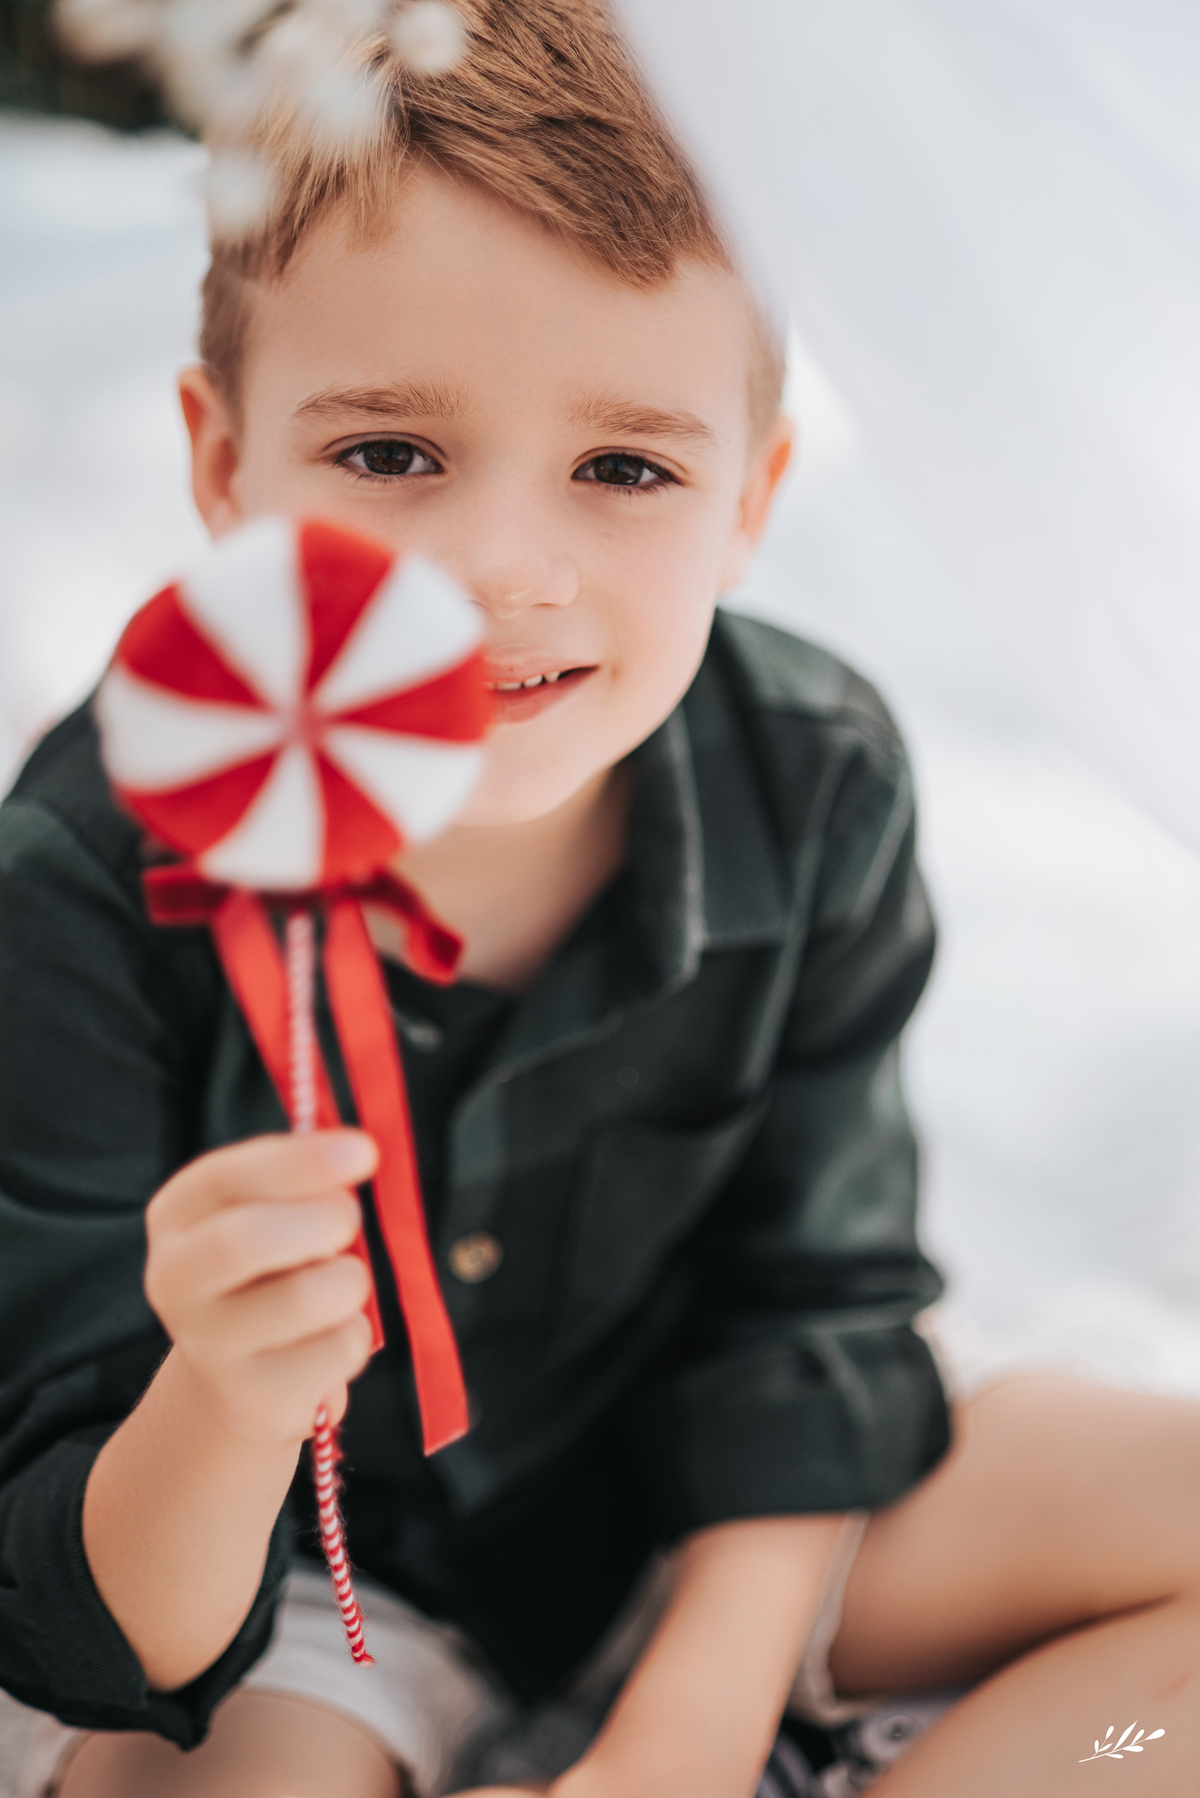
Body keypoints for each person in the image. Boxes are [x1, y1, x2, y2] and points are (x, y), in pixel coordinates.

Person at [0, 3, 1197, 1795]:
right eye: (391, 453)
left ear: (752, 499)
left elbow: (814, 1300)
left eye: (627, 465)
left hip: (705, 1499)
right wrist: (226, 1393)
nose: (503, 567)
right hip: (313, 1589)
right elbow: (85, 1620)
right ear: (227, 463)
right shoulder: (93, 879)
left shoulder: (811, 777)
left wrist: (688, 1731)